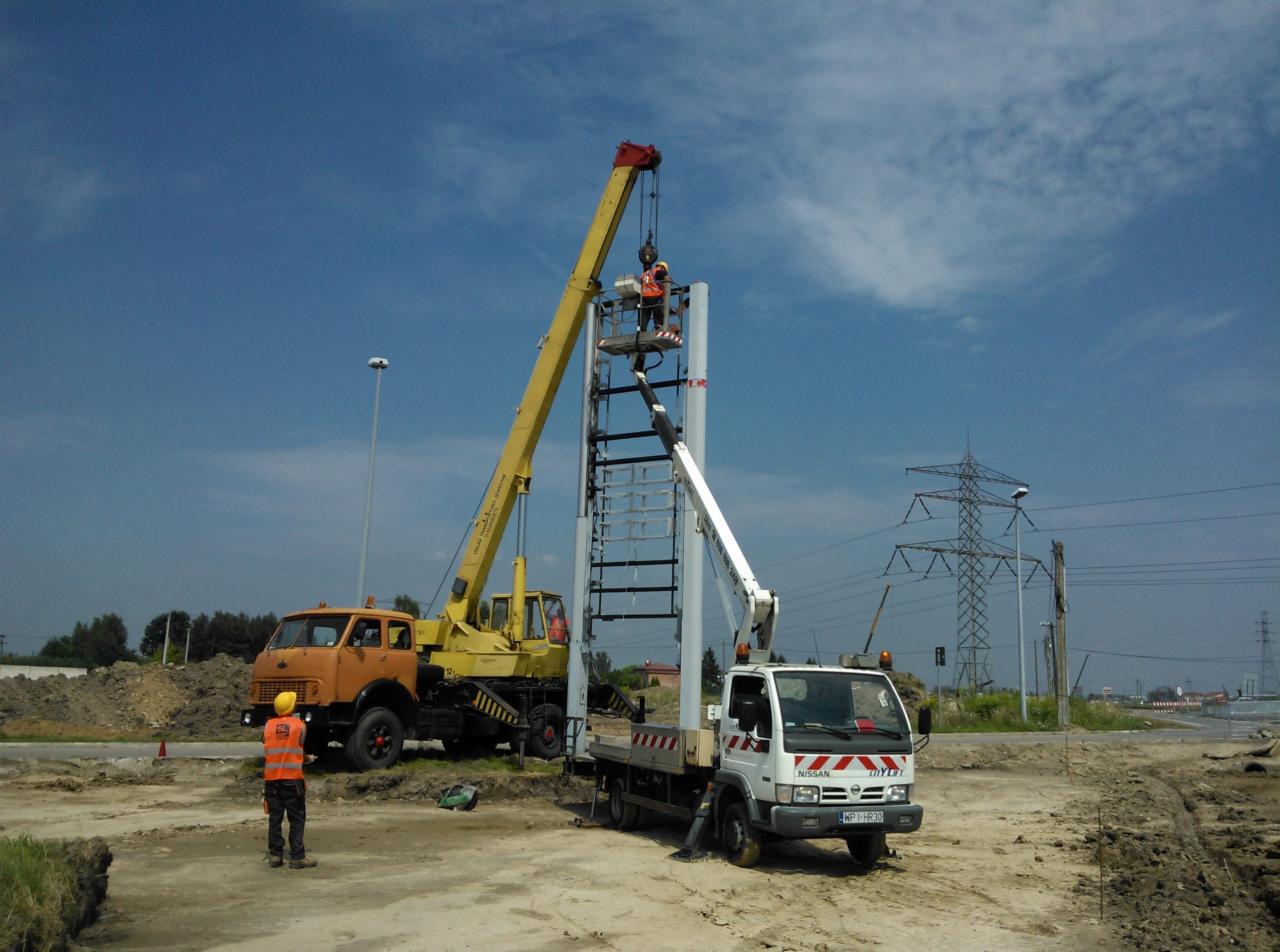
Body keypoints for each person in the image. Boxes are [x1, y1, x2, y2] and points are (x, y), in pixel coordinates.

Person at [263, 691, 316, 869]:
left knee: (275, 817)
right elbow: (297, 750)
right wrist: (309, 759)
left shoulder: (268, 726)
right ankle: (297, 856)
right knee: (297, 818)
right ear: (292, 707)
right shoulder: (300, 726)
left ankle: (276, 855)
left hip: (271, 780)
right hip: (292, 780)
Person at [638, 259, 671, 332]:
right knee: (658, 312)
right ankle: (658, 327)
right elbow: (666, 277)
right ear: (663, 268)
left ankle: (642, 330)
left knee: (645, 315)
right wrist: (670, 280)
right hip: (655, 297)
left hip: (644, 298)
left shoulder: (644, 274)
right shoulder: (658, 271)